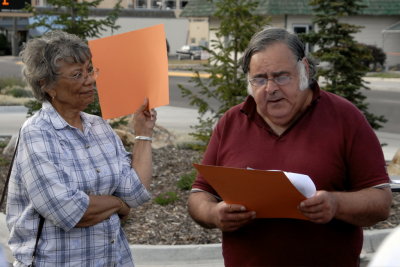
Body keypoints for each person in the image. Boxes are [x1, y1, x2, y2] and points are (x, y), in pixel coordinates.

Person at [188, 27, 392, 266]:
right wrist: (214, 214)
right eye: (260, 79)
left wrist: (336, 204)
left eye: (281, 76)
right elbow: (199, 194)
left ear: (304, 69)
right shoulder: (232, 122)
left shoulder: (345, 118)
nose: (271, 88)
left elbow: (380, 201)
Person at [6, 31, 157, 266]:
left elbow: (134, 191)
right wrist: (117, 204)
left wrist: (143, 133)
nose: (90, 80)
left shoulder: (99, 127)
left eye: (89, 70)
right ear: (47, 86)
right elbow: (68, 210)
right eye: (77, 74)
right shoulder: (37, 133)